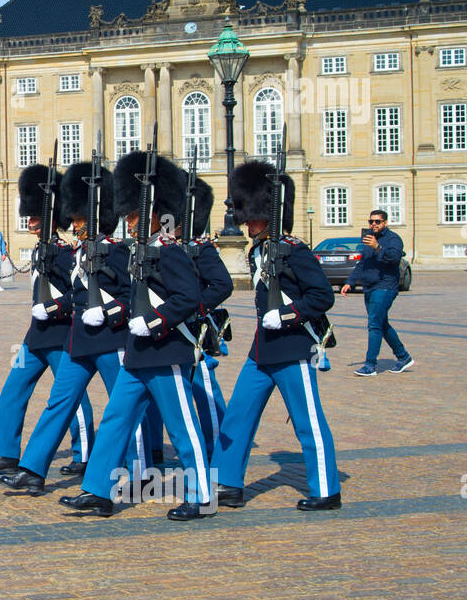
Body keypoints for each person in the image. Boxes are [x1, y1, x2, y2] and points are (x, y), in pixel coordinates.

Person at [59, 151, 211, 521]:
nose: (128, 222)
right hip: (138, 350)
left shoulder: (169, 252)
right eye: (126, 216)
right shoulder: (135, 252)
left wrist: (157, 322)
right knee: (115, 421)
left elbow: (188, 298)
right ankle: (97, 491)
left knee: (181, 426)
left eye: (133, 215)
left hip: (165, 350)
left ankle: (202, 495)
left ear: (156, 214)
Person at [0, 163, 153, 492]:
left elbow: (132, 296)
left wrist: (109, 311)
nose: (77, 224)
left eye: (82, 218)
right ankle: (33, 469)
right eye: (75, 218)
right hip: (81, 341)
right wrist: (61, 307)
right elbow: (74, 294)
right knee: (59, 402)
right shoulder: (79, 251)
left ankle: (140, 470)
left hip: (113, 341)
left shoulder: (118, 252)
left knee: (124, 405)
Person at [211, 161, 341, 511]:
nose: (247, 223)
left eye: (253, 217)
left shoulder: (295, 251)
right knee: (237, 415)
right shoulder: (257, 251)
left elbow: (321, 296)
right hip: (262, 349)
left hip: (294, 347)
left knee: (307, 421)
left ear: (269, 214)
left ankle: (326, 489)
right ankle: (228, 483)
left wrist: (286, 315)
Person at [0, 165, 85, 476]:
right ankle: (5, 452)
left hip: (62, 333)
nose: (31, 223)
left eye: (36, 217)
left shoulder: (64, 253)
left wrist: (54, 309)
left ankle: (85, 454)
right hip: (36, 334)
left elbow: (80, 294)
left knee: (71, 397)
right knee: (14, 388)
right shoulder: (41, 251)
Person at [177, 177, 234, 460]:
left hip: (195, 332)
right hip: (173, 329)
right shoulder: (170, 247)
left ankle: (218, 451)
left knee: (205, 393)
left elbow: (223, 285)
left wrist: (196, 309)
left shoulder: (201, 248)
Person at [342, 209, 413, 376]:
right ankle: (403, 357)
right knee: (381, 323)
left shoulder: (393, 239)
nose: (373, 224)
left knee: (374, 324)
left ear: (385, 223)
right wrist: (350, 282)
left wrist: (378, 247)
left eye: (377, 221)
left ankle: (370, 365)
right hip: (370, 287)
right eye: (371, 221)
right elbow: (362, 263)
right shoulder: (368, 240)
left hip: (386, 286)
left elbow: (394, 260)